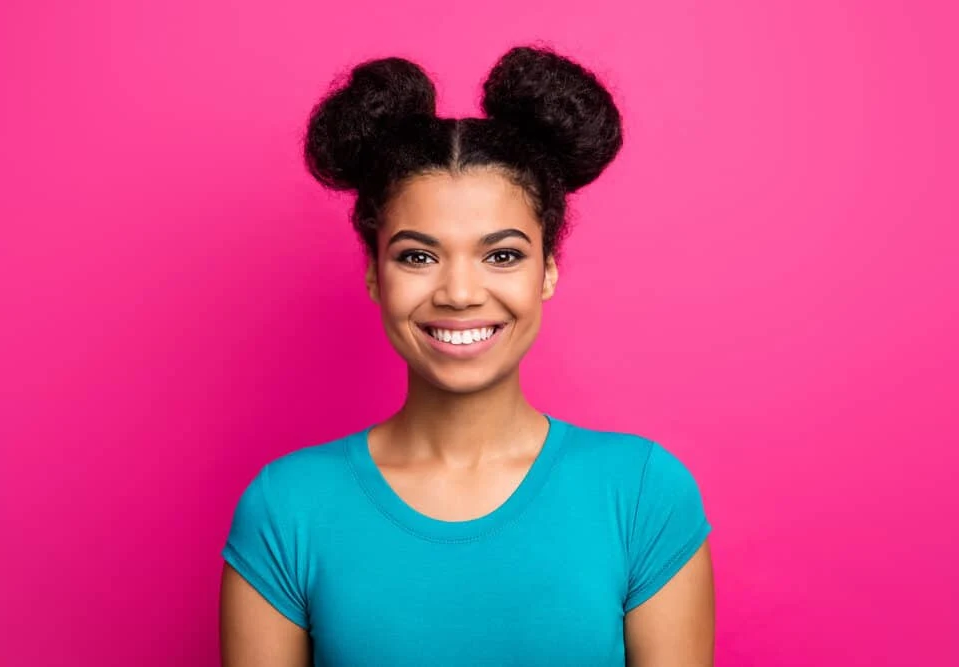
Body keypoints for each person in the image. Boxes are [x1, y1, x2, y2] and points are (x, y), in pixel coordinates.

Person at [220, 45, 714, 666]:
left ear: (548, 271)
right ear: (375, 275)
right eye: (417, 256)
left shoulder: (642, 494)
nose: (458, 292)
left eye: (502, 254)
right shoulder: (287, 506)